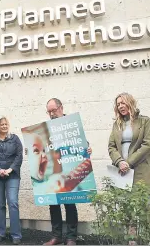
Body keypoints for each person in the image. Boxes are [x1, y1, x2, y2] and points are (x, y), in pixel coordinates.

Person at [43, 98, 92, 246]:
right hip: (54, 171)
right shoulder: (46, 127)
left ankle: (71, 237)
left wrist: (87, 148)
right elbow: (43, 147)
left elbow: (81, 142)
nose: (51, 114)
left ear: (61, 108)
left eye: (53, 110)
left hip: (70, 169)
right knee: (54, 204)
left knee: (70, 204)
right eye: (49, 111)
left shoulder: (71, 124)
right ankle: (56, 236)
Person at [108, 92, 150, 193]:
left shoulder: (144, 121)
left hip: (141, 169)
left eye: (123, 103)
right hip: (121, 170)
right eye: (118, 104)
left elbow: (147, 145)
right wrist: (120, 162)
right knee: (124, 206)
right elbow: (111, 146)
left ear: (130, 102)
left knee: (143, 206)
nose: (120, 106)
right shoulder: (117, 124)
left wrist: (128, 163)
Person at [0, 116, 23, 245]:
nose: (4, 126)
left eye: (6, 124)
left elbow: (19, 156)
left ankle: (16, 234)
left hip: (12, 176)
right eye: (2, 124)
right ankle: (0, 233)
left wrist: (10, 170)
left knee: (13, 203)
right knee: (0, 205)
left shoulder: (15, 139)